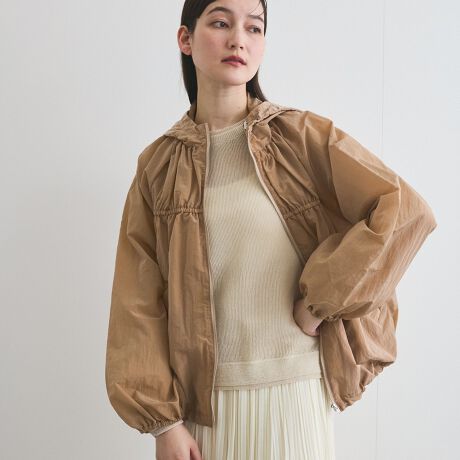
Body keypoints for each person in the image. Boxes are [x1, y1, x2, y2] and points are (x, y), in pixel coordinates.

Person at [104, 0, 437, 459]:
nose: (238, 39)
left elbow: (405, 212)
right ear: (186, 39)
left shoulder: (300, 137)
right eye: (220, 22)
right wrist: (164, 425)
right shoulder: (158, 166)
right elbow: (137, 300)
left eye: (254, 28)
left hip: (294, 397)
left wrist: (318, 302)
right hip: (205, 411)